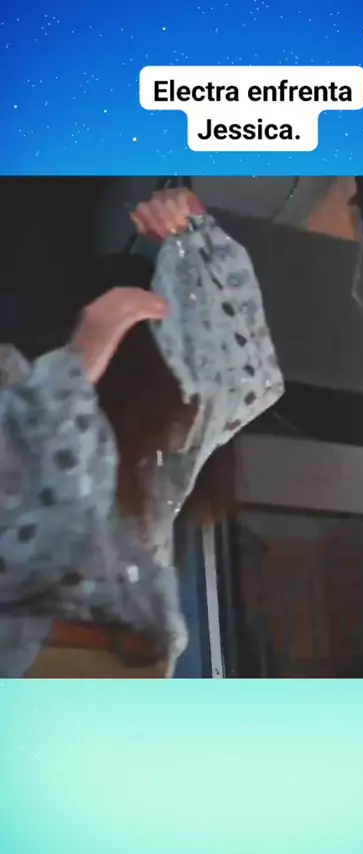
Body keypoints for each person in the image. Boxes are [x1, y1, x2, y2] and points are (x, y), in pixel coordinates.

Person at [0, 188, 285, 678]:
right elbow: (245, 381)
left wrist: (193, 232)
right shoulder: (161, 468)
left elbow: (246, 380)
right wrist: (194, 231)